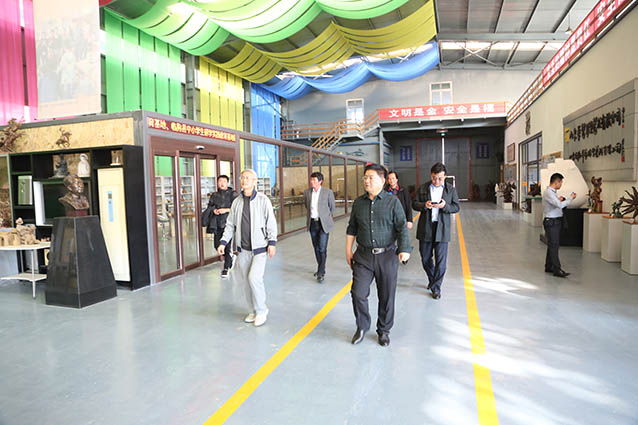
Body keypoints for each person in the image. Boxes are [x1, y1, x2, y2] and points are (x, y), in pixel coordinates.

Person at [346, 164, 411, 347]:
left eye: (371, 177)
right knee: (358, 292)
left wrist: (404, 249)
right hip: (363, 256)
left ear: (382, 181)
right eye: (365, 177)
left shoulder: (392, 202)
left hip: (387, 256)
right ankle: (362, 326)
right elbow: (352, 227)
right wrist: (348, 250)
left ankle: (384, 330)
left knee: (386, 295)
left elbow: (402, 227)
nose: (367, 181)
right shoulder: (359, 203)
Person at [218, 169, 277, 327]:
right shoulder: (236, 202)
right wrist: (223, 242)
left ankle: (262, 310)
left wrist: (272, 242)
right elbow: (230, 224)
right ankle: (252, 310)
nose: (245, 180)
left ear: (254, 181)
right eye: (243, 178)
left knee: (254, 278)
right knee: (246, 281)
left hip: (259, 249)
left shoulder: (263, 200)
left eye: (248, 178)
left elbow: (271, 222)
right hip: (242, 249)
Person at [412, 162, 460, 300]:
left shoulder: (450, 190)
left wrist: (445, 206)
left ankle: (436, 288)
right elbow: (414, 204)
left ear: (445, 177)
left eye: (440, 178)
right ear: (430, 175)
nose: (436, 181)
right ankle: (433, 279)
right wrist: (424, 205)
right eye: (434, 178)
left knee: (441, 263)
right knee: (425, 258)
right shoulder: (423, 188)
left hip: (442, 229)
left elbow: (456, 207)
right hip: (426, 228)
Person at [303, 172, 336, 283]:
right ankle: (320, 268)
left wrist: (326, 217)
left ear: (320, 181)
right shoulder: (307, 193)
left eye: (314, 180)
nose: (312, 182)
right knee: (316, 247)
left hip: (323, 224)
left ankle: (321, 272)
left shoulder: (328, 192)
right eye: (311, 180)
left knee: (322, 248)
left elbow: (332, 207)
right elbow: (307, 206)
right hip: (312, 223)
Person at [542, 173, 576, 278]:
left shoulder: (552, 192)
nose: (561, 184)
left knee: (552, 245)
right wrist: (570, 198)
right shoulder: (549, 192)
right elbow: (560, 205)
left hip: (554, 221)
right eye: (560, 182)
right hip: (552, 222)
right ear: (556, 182)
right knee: (554, 245)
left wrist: (558, 199)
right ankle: (557, 269)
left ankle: (549, 266)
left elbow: (555, 203)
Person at [208, 175, 238, 279]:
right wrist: (214, 211)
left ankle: (226, 268)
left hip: (229, 223)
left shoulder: (233, 194)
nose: (222, 183)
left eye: (224, 181)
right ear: (217, 183)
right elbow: (210, 207)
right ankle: (231, 257)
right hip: (217, 223)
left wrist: (225, 210)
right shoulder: (214, 195)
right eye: (220, 181)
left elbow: (237, 208)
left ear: (227, 183)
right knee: (217, 246)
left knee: (227, 246)